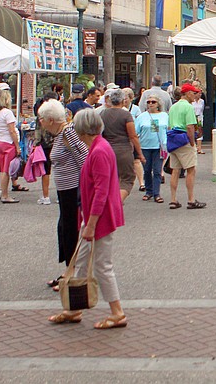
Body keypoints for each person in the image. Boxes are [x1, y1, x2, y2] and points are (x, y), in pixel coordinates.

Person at [48, 108, 127, 330]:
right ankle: (74, 308)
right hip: (94, 215)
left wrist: (90, 224)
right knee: (81, 263)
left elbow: (101, 192)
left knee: (102, 265)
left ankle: (117, 312)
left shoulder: (99, 151)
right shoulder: (99, 148)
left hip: (99, 217)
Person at [38, 100, 89, 292]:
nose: (40, 122)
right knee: (64, 229)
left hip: (73, 189)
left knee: (70, 230)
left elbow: (84, 158)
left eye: (42, 119)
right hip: (65, 190)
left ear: (50, 120)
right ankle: (69, 269)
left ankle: (72, 272)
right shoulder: (61, 134)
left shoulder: (68, 132)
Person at [100, 88, 146, 203]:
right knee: (127, 179)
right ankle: (116, 203)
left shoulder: (103, 113)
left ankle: (109, 200)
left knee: (111, 178)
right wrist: (140, 154)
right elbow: (133, 136)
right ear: (123, 100)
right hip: (123, 150)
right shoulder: (126, 115)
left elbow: (99, 133)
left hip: (106, 150)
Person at [167, 83, 205, 209]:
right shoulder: (188, 107)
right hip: (184, 139)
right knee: (190, 169)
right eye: (193, 93)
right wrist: (192, 142)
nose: (195, 96)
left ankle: (173, 199)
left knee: (175, 170)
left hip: (173, 139)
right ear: (188, 93)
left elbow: (169, 126)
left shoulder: (173, 107)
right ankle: (191, 199)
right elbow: (190, 126)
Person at [135, 93, 168, 203]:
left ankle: (156, 193)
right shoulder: (141, 117)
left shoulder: (164, 116)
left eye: (153, 102)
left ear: (158, 104)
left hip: (159, 147)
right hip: (145, 146)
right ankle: (148, 191)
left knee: (158, 170)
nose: (150, 104)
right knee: (147, 170)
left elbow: (168, 130)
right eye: (148, 102)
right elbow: (136, 132)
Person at [0, 84, 21, 203]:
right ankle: (5, 195)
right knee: (6, 171)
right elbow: (12, 131)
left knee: (1, 168)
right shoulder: (7, 113)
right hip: (8, 143)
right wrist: (17, 146)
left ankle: (0, 191)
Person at [123, 88, 145, 192]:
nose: (124, 100)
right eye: (123, 98)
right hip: (123, 137)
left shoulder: (136, 109)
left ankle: (141, 183)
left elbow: (140, 121)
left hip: (134, 135)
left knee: (136, 160)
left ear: (131, 98)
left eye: (126, 98)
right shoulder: (120, 109)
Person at [192, 88, 205, 154]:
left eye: (200, 93)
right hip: (193, 117)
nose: (200, 95)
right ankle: (194, 147)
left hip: (199, 118)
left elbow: (202, 109)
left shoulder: (202, 101)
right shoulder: (192, 101)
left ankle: (199, 148)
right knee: (193, 132)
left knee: (199, 132)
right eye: (198, 93)